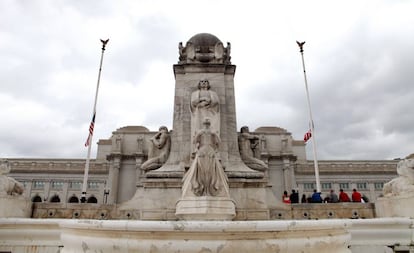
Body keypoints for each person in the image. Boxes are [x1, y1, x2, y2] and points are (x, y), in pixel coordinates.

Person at [184, 118, 227, 196]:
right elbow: (194, 141)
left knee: (210, 172)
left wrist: (215, 136)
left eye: (208, 124)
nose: (206, 125)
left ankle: (209, 189)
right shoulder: (201, 132)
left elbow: (219, 142)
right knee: (202, 171)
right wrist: (197, 148)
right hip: (202, 151)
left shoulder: (212, 133)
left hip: (210, 151)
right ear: (203, 124)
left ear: (209, 125)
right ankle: (202, 189)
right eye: (205, 124)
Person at [190, 79, 220, 155]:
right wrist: (202, 99)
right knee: (197, 128)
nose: (203, 83)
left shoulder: (212, 93)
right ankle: (196, 148)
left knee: (212, 128)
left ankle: (214, 148)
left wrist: (208, 101)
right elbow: (193, 102)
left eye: (205, 82)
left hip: (210, 112)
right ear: (199, 84)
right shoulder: (195, 93)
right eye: (202, 82)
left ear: (208, 84)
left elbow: (216, 101)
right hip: (199, 112)